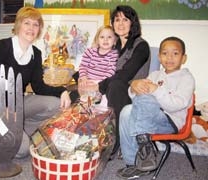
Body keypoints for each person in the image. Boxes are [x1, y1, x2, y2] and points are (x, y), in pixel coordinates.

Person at [0, 6, 75, 158]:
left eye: (36, 24)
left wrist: (62, 91)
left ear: (39, 29)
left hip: (17, 105)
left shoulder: (35, 53)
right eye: (27, 23)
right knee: (22, 150)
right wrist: (4, 107)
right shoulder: (1, 47)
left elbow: (38, 86)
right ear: (18, 25)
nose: (31, 28)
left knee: (55, 104)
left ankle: (18, 128)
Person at [117, 36, 195, 179]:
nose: (169, 57)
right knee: (126, 112)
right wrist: (134, 87)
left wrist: (156, 90)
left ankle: (144, 145)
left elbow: (177, 105)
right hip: (147, 119)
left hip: (170, 121)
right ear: (159, 57)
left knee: (147, 97)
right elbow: (137, 99)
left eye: (175, 53)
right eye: (165, 53)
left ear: (184, 58)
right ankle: (133, 164)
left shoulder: (186, 78)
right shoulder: (154, 75)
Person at [78, 5, 151, 156]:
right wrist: (80, 79)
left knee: (115, 85)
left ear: (133, 23)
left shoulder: (141, 46)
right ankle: (81, 136)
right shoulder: (113, 44)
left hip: (131, 95)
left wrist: (97, 86)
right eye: (117, 19)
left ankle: (115, 140)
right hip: (108, 90)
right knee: (75, 93)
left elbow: (125, 75)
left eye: (125, 19)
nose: (120, 23)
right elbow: (93, 63)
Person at [78, 25, 118, 106]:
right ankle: (86, 108)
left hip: (102, 83)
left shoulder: (114, 54)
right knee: (84, 96)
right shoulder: (90, 52)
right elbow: (83, 66)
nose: (105, 40)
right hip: (88, 80)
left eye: (109, 37)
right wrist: (83, 77)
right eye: (102, 37)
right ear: (97, 39)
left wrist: (99, 84)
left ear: (114, 41)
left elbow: (111, 71)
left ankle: (101, 111)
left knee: (104, 101)